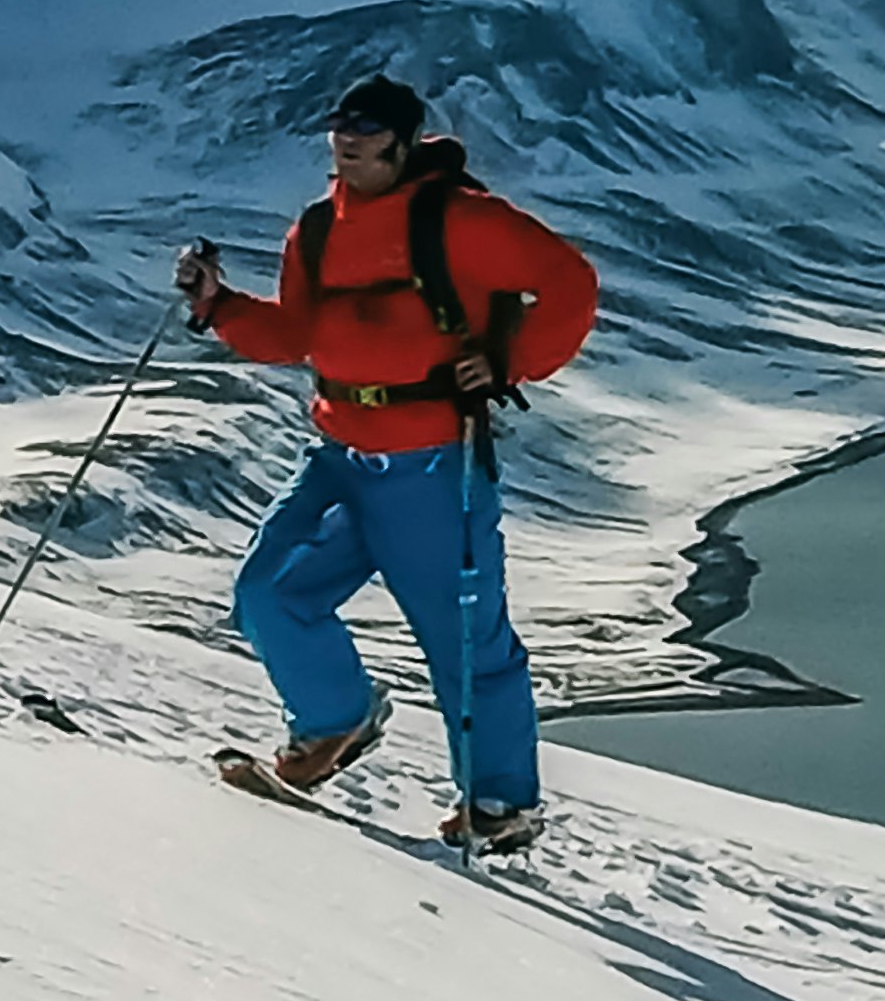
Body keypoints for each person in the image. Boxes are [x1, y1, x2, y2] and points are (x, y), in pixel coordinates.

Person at [177, 75, 600, 853]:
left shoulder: (460, 221)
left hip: (431, 464)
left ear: (403, 144)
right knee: (268, 594)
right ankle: (334, 722)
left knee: (465, 639)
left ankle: (502, 803)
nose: (348, 139)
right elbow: (295, 334)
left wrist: (510, 360)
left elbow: (569, 284)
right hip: (340, 455)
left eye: (368, 129)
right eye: (340, 125)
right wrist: (218, 306)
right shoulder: (314, 230)